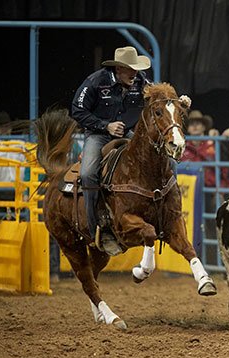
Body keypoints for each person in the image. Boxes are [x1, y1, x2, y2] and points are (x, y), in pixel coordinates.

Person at [71, 46, 152, 254]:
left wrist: (177, 100)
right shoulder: (95, 82)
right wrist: (104, 125)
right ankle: (95, 228)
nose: (134, 74)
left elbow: (157, 96)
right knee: (88, 173)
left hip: (127, 134)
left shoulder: (141, 81)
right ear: (118, 69)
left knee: (155, 160)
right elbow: (77, 110)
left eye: (135, 69)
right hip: (98, 135)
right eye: (129, 69)